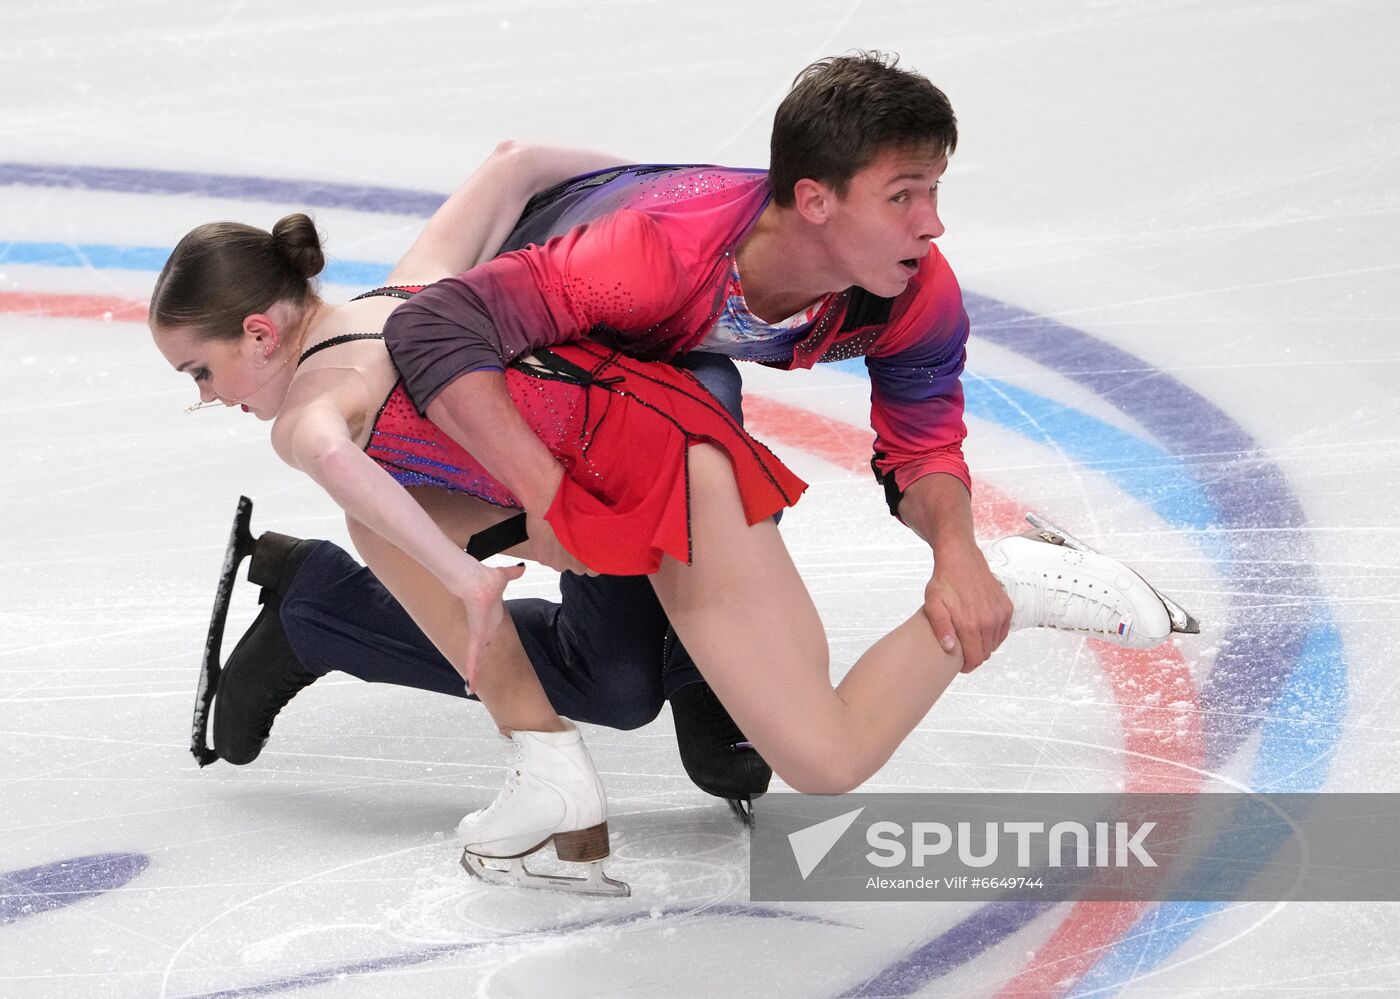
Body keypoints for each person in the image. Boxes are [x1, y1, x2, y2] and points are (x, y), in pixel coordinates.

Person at [156, 52, 1190, 892]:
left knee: (703, 696)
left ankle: (670, 690)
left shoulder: (907, 289)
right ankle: (543, 734)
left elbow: (918, 437)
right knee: (584, 648)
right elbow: (458, 298)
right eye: (905, 195)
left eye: (931, 192)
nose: (932, 223)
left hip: (639, 432)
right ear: (814, 201)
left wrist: (959, 553)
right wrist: (543, 488)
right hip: (575, 363)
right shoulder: (636, 257)